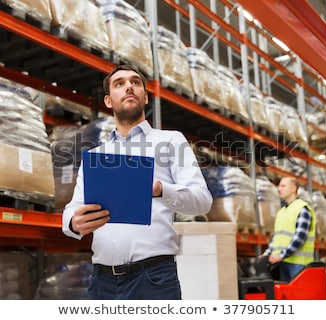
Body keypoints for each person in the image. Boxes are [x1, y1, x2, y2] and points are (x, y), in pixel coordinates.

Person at [62, 64, 213, 300]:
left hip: (153, 279)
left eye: (135, 82)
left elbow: (203, 201)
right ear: (109, 101)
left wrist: (161, 189)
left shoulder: (170, 141)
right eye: (119, 84)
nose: (128, 87)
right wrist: (73, 222)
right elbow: (72, 207)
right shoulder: (96, 155)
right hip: (102, 282)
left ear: (145, 97)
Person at [261, 176, 316, 282]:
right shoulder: (282, 212)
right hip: (283, 263)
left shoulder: (302, 208)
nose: (279, 189)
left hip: (299, 264)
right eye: (279, 186)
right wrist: (267, 253)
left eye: (283, 186)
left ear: (293, 188)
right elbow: (277, 237)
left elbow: (300, 237)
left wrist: (281, 255)